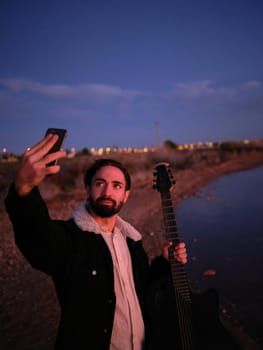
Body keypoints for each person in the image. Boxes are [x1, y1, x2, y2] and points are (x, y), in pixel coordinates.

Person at [5, 133, 187, 350]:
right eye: (100, 183)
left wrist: (163, 263)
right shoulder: (70, 239)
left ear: (126, 195)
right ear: (88, 189)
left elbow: (142, 287)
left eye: (117, 186)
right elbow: (36, 238)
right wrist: (24, 191)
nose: (108, 192)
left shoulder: (132, 241)